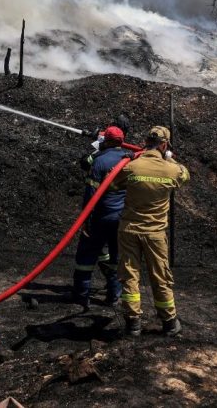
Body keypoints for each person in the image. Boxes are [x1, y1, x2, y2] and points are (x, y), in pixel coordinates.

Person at [111, 126, 189, 337]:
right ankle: (170, 322)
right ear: (164, 145)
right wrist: (170, 159)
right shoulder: (171, 169)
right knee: (160, 277)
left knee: (129, 276)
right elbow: (185, 175)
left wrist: (129, 160)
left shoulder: (132, 167)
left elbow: (113, 184)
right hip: (155, 233)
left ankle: (132, 323)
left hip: (129, 230)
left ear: (146, 141)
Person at [72, 126, 131, 308]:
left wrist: (85, 220)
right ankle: (114, 296)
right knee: (115, 258)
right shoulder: (129, 159)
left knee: (85, 257)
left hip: (99, 217)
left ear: (110, 141)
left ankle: (81, 297)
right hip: (121, 218)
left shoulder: (100, 161)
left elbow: (91, 193)